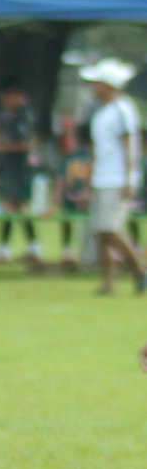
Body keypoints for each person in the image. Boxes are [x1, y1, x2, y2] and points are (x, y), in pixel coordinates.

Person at [80, 58, 143, 296]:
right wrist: (89, 181)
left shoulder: (123, 109)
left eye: (97, 83)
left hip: (117, 179)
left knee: (110, 229)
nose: (93, 87)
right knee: (100, 235)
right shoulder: (100, 114)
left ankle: (139, 270)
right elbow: (97, 150)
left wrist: (129, 178)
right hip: (101, 179)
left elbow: (129, 147)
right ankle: (108, 284)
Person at [0, 83, 40, 264]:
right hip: (9, 166)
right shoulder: (5, 114)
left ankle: (29, 246)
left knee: (19, 206)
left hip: (22, 167)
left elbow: (27, 144)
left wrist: (2, 146)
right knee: (10, 206)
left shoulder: (26, 116)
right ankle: (8, 247)